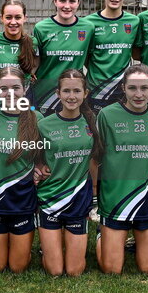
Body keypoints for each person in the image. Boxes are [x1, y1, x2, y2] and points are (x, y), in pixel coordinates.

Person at [95, 63, 148, 275]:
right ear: (123, 88)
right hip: (116, 198)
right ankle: (103, 234)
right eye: (132, 88)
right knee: (111, 270)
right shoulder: (107, 115)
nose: (138, 94)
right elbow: (95, 158)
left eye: (144, 88)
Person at [34, 69, 101, 276]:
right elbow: (35, 158)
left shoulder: (92, 122)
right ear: (58, 93)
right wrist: (37, 169)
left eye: (76, 91)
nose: (72, 96)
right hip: (50, 199)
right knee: (54, 270)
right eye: (66, 91)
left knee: (74, 271)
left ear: (85, 93)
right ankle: (48, 247)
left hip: (78, 199)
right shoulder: (43, 124)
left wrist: (95, 196)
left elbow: (94, 161)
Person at [0, 67, 40, 273]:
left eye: (15, 87)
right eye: (3, 88)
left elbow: (47, 153)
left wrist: (42, 166)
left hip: (23, 197)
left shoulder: (36, 118)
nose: (10, 93)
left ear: (25, 88)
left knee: (18, 267)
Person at [31, 0, 94, 113]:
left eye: (72, 1)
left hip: (73, 94)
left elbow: (90, 59)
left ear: (78, 3)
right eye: (62, 0)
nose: (67, 6)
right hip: (45, 92)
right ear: (55, 1)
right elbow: (35, 61)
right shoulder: (41, 28)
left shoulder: (88, 28)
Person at [86, 0, 142, 111]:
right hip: (96, 89)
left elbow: (136, 53)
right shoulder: (88, 22)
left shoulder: (134, 21)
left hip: (122, 90)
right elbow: (85, 57)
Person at [0, 0, 38, 93]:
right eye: (8, 17)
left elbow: (36, 65)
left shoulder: (33, 42)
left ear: (25, 18)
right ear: (2, 18)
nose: (13, 22)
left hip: (22, 102)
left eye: (17, 17)